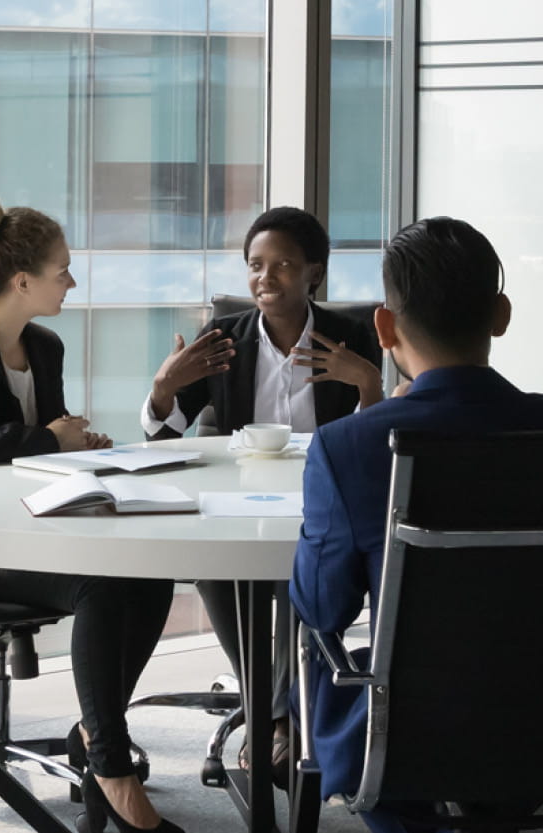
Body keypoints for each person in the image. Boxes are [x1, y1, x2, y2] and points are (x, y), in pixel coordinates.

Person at [289, 217, 543, 833]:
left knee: (313, 650)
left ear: (383, 328)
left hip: (417, 729)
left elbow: (321, 606)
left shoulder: (350, 445)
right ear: (501, 315)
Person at [0, 198, 183, 833]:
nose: (72, 281)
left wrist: (79, 450)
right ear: (22, 281)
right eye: (63, 270)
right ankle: (113, 771)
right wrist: (49, 440)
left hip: (35, 531)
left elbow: (44, 449)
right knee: (101, 583)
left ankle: (95, 734)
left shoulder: (45, 347)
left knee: (151, 572)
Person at [140, 206, 383, 778]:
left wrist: (368, 383)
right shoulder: (223, 339)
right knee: (214, 568)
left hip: (322, 502)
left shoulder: (348, 338)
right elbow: (162, 440)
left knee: (299, 569)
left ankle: (270, 713)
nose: (265, 279)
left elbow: (373, 448)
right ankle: (277, 712)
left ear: (312, 274)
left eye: (282, 265)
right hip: (241, 501)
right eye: (255, 265)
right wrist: (162, 390)